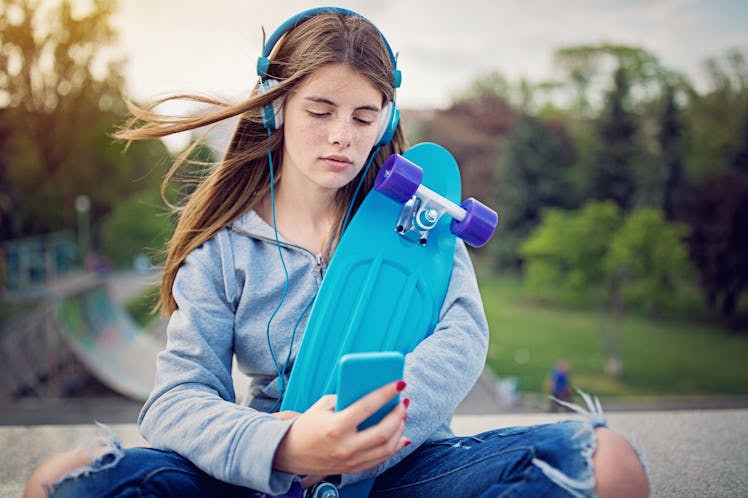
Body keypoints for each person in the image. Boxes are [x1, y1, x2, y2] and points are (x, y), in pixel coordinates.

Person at [23, 7, 649, 498]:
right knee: (64, 482)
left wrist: (370, 431)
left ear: (387, 116)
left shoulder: (417, 219)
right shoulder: (222, 247)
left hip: (409, 469)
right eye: (320, 110)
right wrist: (288, 445)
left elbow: (462, 338)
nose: (341, 137)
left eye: (363, 116)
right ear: (276, 108)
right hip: (261, 473)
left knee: (608, 465)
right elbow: (178, 398)